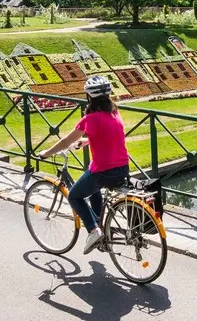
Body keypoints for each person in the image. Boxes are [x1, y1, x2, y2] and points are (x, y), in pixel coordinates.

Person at [38, 75, 130, 254]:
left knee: (74, 196)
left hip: (104, 171)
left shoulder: (89, 119)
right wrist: (88, 142)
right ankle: (99, 225)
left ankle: (94, 231)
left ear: (89, 97)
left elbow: (65, 141)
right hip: (122, 168)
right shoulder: (114, 112)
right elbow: (109, 135)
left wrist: (46, 153)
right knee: (92, 183)